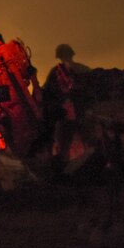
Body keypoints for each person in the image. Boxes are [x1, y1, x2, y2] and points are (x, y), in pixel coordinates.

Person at [36, 43, 92, 175]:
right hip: (79, 112)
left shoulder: (56, 72)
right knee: (88, 143)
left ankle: (65, 171)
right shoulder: (83, 69)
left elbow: (47, 92)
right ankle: (89, 168)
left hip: (68, 113)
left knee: (64, 146)